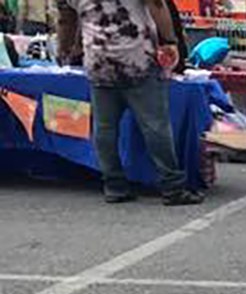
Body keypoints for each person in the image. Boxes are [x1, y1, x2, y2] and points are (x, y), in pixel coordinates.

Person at [56, 0, 203, 205]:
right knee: (155, 126)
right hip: (137, 56)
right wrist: (170, 41)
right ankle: (172, 187)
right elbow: (157, 5)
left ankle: (114, 185)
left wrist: (65, 50)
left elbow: (66, 19)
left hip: (99, 59)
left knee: (105, 128)